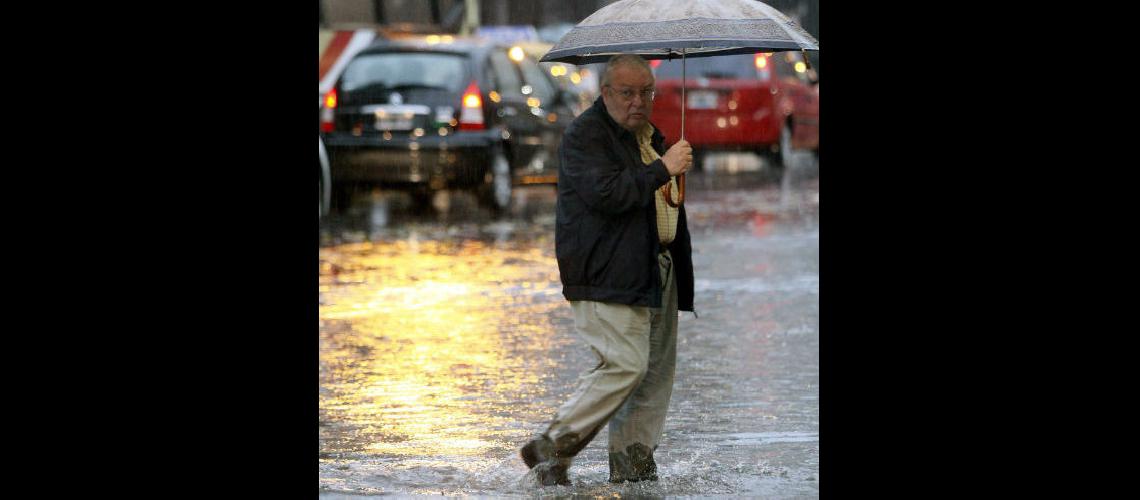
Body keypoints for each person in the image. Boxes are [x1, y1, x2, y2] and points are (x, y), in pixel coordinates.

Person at [520, 54, 695, 486]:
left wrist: (667, 164)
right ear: (605, 92)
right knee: (625, 364)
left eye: (646, 92)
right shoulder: (586, 135)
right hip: (607, 271)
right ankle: (552, 444)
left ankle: (633, 464)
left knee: (654, 374)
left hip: (657, 266)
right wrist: (663, 168)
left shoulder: (650, 136)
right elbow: (609, 194)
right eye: (627, 93)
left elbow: (660, 199)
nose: (638, 102)